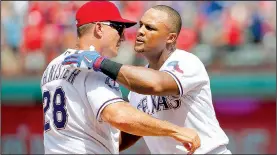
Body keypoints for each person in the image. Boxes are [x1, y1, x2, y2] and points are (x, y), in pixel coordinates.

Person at [63, 4, 231, 154]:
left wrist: (100, 62)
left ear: (170, 38)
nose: (141, 31)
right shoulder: (137, 84)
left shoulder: (186, 61)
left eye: (150, 28)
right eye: (141, 25)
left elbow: (155, 84)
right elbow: (131, 132)